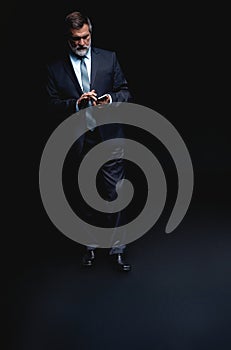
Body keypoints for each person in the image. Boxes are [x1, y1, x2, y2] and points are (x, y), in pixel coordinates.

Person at [45, 11, 133, 271]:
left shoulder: (109, 58)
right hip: (78, 141)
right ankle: (90, 247)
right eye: (75, 40)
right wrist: (75, 104)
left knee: (115, 193)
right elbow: (48, 106)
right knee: (84, 195)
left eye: (85, 37)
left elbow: (127, 92)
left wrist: (110, 100)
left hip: (109, 137)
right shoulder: (54, 68)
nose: (82, 44)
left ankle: (117, 250)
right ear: (67, 39)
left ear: (90, 33)